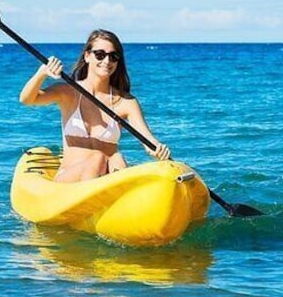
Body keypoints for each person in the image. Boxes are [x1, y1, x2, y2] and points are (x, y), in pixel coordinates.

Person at [19, 29, 171, 183]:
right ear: (87, 56)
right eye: (100, 54)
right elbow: (27, 99)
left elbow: (148, 141)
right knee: (97, 158)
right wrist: (42, 74)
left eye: (113, 56)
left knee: (117, 158)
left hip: (105, 180)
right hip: (69, 180)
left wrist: (158, 149)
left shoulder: (126, 102)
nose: (107, 61)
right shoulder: (68, 92)